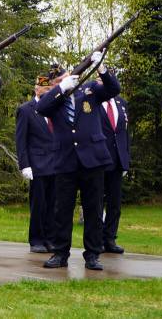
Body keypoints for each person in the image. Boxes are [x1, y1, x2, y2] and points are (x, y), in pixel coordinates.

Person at [36, 51, 118, 271]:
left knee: (93, 209)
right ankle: (60, 253)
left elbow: (113, 89)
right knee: (62, 210)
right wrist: (61, 90)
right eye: (57, 82)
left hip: (93, 158)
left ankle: (93, 254)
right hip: (65, 160)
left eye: (64, 78)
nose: (62, 82)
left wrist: (101, 68)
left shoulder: (89, 89)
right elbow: (40, 108)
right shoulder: (52, 98)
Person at [15, 64, 62, 253]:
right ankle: (36, 239)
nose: (49, 91)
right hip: (37, 164)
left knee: (53, 204)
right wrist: (24, 165)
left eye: (51, 88)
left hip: (56, 163)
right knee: (38, 204)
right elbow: (21, 139)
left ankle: (50, 238)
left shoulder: (56, 107)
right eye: (46, 88)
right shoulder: (26, 110)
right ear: (37, 88)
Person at [100, 90, 130, 254]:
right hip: (99, 159)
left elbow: (125, 133)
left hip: (117, 160)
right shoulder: (94, 102)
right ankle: (96, 239)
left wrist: (126, 159)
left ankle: (110, 238)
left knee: (115, 203)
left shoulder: (121, 103)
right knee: (97, 202)